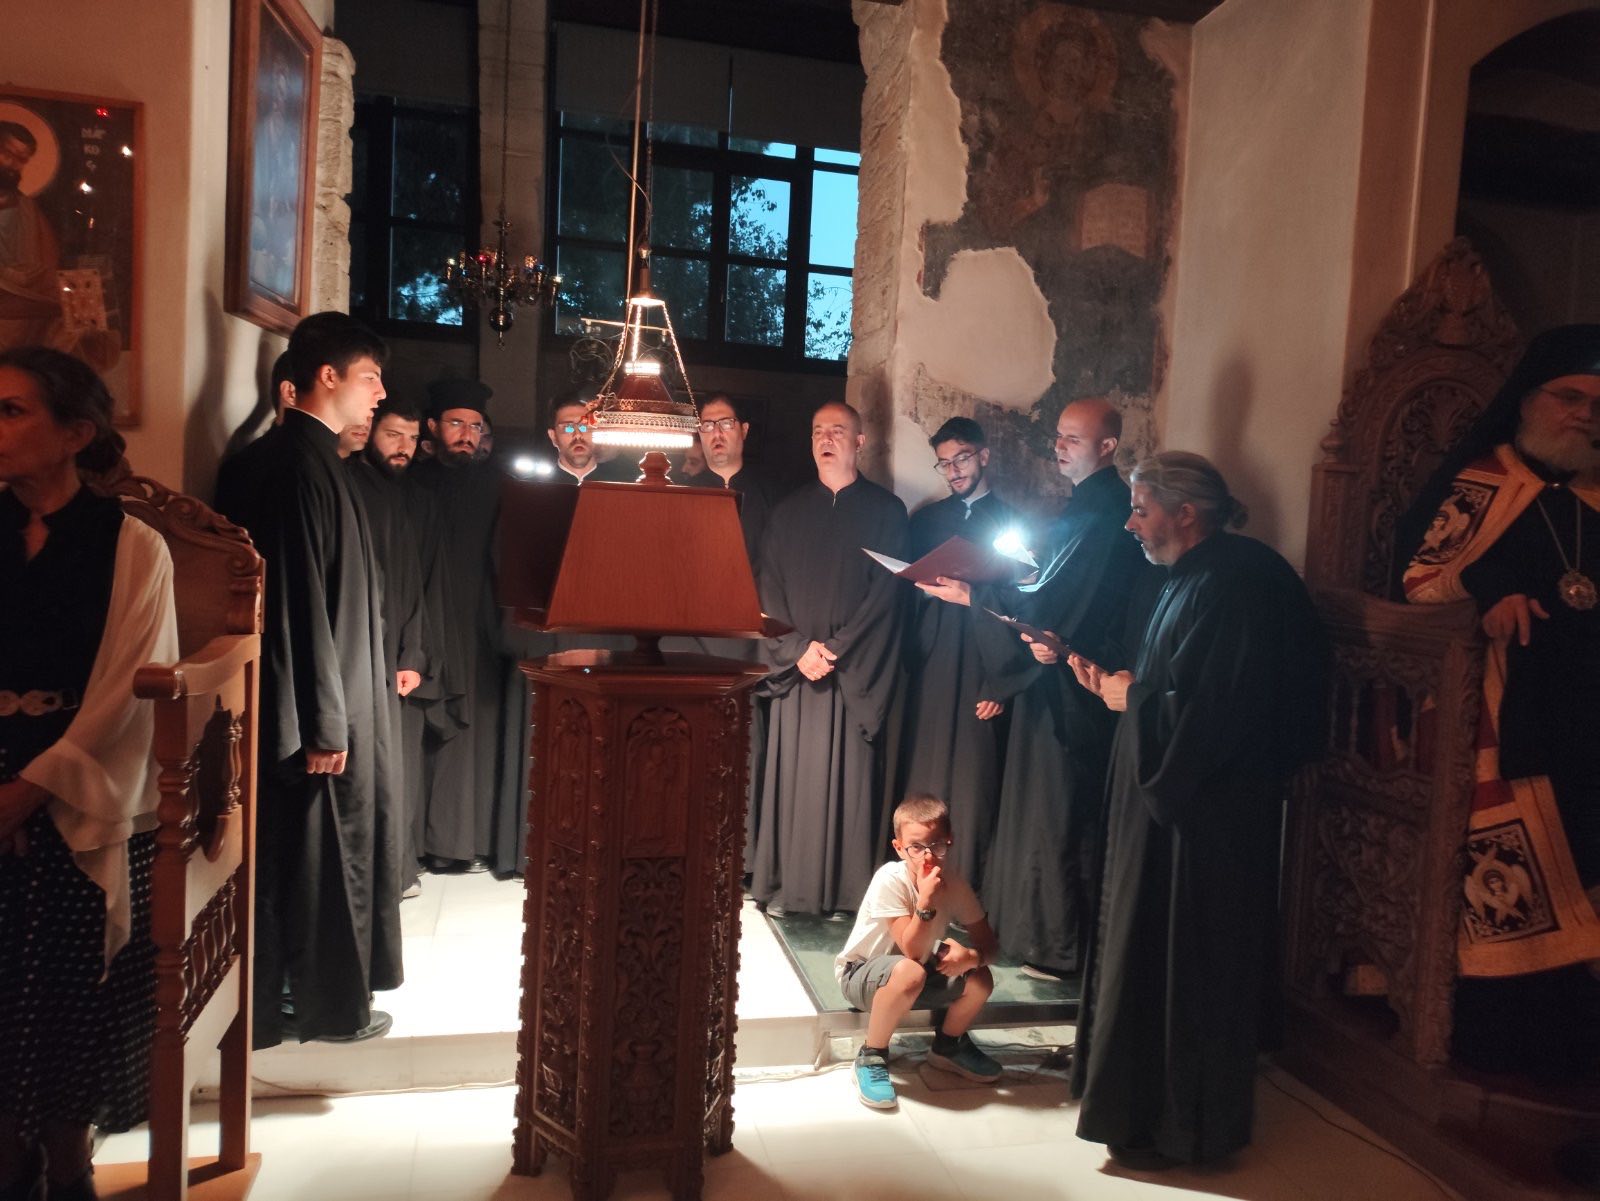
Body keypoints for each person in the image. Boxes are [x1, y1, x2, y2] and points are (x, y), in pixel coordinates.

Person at [1066, 451, 1326, 1168]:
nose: (1130, 524)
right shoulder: (1196, 573)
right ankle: (1136, 1108)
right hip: (1173, 803)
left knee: (1187, 965)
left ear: (1186, 512)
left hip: (1203, 820)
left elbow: (1222, 712)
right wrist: (1126, 688)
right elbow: (1184, 683)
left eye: (1140, 509)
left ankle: (1180, 1125)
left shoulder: (1238, 582)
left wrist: (1135, 698)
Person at [1396, 325, 1600, 1086]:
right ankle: (1509, 1034)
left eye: (1598, 406)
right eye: (1570, 397)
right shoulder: (1486, 479)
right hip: (1503, 706)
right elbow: (1423, 578)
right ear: (1527, 400)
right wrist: (1490, 592)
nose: (1585, 416)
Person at [0, 347, 178, 1200]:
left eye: (12, 410)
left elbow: (124, 691)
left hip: (81, 778)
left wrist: (28, 790)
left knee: (67, 974)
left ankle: (67, 1157)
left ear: (76, 433)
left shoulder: (132, 545)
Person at [215, 311, 402, 1049]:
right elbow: (292, 600)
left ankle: (317, 1000)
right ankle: (310, 1007)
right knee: (311, 858)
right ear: (327, 376)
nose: (379, 393)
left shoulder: (316, 457)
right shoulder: (294, 463)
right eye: (370, 377)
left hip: (336, 690)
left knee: (325, 853)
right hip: (314, 705)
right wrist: (324, 722)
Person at [927, 397, 1153, 979]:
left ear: (1107, 446)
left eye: (1073, 438)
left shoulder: (1107, 512)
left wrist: (976, 596)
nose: (1059, 446)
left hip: (1079, 685)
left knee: (1061, 813)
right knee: (1039, 808)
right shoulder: (1082, 506)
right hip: (1054, 674)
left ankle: (1060, 945)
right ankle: (1036, 935)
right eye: (1058, 436)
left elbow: (1069, 603)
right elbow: (1048, 588)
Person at [749, 401, 909, 917]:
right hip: (801, 674)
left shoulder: (887, 512)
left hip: (852, 672)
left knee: (851, 787)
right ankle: (788, 888)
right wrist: (799, 650)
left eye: (838, 431)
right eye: (818, 430)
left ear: (860, 441)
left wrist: (836, 649)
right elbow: (768, 591)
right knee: (796, 782)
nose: (826, 439)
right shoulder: (787, 513)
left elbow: (887, 594)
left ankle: (845, 896)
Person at [895, 417, 1017, 893]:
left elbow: (1022, 606)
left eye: (961, 458)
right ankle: (916, 879)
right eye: (944, 463)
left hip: (982, 665)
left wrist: (1000, 683)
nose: (953, 470)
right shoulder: (926, 521)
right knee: (924, 771)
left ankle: (966, 888)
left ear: (983, 455)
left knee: (973, 779)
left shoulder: (1010, 522)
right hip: (931, 662)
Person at [835, 795, 1002, 1110]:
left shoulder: (955, 884)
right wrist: (925, 901)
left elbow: (990, 946)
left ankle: (948, 1047)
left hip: (915, 973)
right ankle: (872, 1055)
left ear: (949, 841)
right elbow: (911, 950)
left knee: (980, 977)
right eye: (916, 846)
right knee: (910, 971)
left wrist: (971, 958)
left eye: (936, 845)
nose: (927, 856)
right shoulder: (890, 879)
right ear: (899, 848)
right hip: (860, 974)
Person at [409, 379, 511, 874]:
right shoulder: (410, 483)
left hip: (476, 624)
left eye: (475, 426)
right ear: (433, 426)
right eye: (456, 423)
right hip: (421, 623)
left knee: (475, 733)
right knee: (422, 731)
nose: (467, 435)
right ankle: (418, 845)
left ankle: (466, 842)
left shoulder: (499, 485)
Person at [347, 400, 431, 899]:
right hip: (359, 650)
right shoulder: (350, 484)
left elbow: (410, 580)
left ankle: (395, 872)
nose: (404, 447)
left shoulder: (396, 493)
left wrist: (412, 654)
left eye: (412, 438)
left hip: (392, 652)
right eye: (393, 435)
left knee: (395, 768)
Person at [683, 392, 784, 576]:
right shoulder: (683, 496)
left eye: (726, 423)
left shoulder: (773, 497)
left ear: (744, 430)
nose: (717, 433)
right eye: (707, 425)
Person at [0, 123, 62, 353]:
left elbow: (46, 262)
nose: (12, 165)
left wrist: (30, 275)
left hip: (22, 305)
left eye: (21, 159)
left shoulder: (27, 208)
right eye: (7, 154)